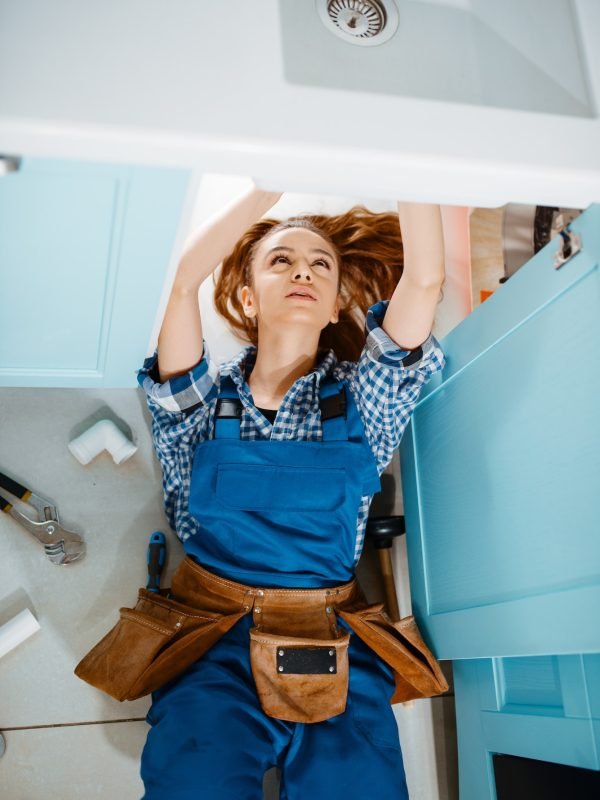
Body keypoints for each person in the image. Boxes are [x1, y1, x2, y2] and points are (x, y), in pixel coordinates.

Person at [135, 184, 447, 799]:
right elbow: (181, 284)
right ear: (249, 298)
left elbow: (425, 281)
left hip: (332, 637)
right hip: (212, 635)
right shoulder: (198, 403)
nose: (302, 268)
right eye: (281, 260)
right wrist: (264, 182)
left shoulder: (366, 400)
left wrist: (419, 161)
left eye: (319, 264)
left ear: (335, 306)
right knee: (191, 785)